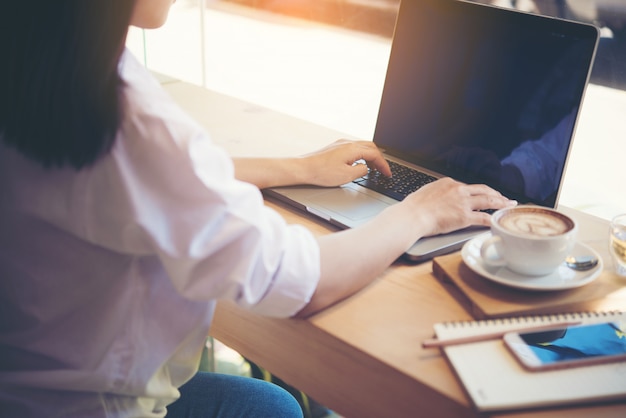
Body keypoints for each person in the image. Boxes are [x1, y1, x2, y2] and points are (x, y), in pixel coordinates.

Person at [0, 1, 516, 417]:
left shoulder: (40, 64)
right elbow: (298, 284)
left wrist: (299, 167)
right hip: (93, 405)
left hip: (23, 387)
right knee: (271, 408)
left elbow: (149, 178)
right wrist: (420, 213)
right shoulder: (127, 120)